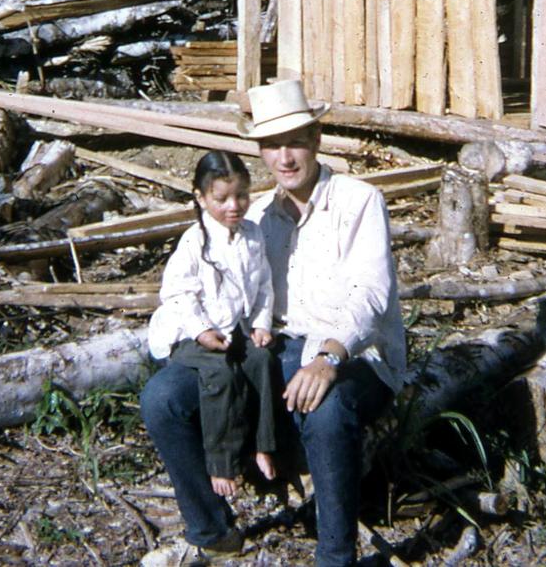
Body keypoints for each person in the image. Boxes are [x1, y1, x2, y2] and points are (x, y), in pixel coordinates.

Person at [141, 81, 406, 566]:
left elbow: (371, 295)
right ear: (261, 152)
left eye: (296, 141)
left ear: (317, 138)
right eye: (272, 145)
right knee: (163, 398)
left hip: (352, 354)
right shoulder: (255, 214)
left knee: (327, 409)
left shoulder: (359, 201)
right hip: (275, 351)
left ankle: (335, 556)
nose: (285, 157)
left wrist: (328, 357)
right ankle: (213, 531)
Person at [146, 150, 277, 505]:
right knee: (221, 374)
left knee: (262, 361)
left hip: (233, 328)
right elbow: (177, 292)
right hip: (188, 333)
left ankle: (264, 445)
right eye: (221, 199)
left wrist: (262, 322)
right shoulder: (195, 241)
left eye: (241, 196)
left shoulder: (252, 235)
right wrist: (201, 329)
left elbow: (264, 284)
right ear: (201, 198)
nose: (233, 206)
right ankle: (221, 463)